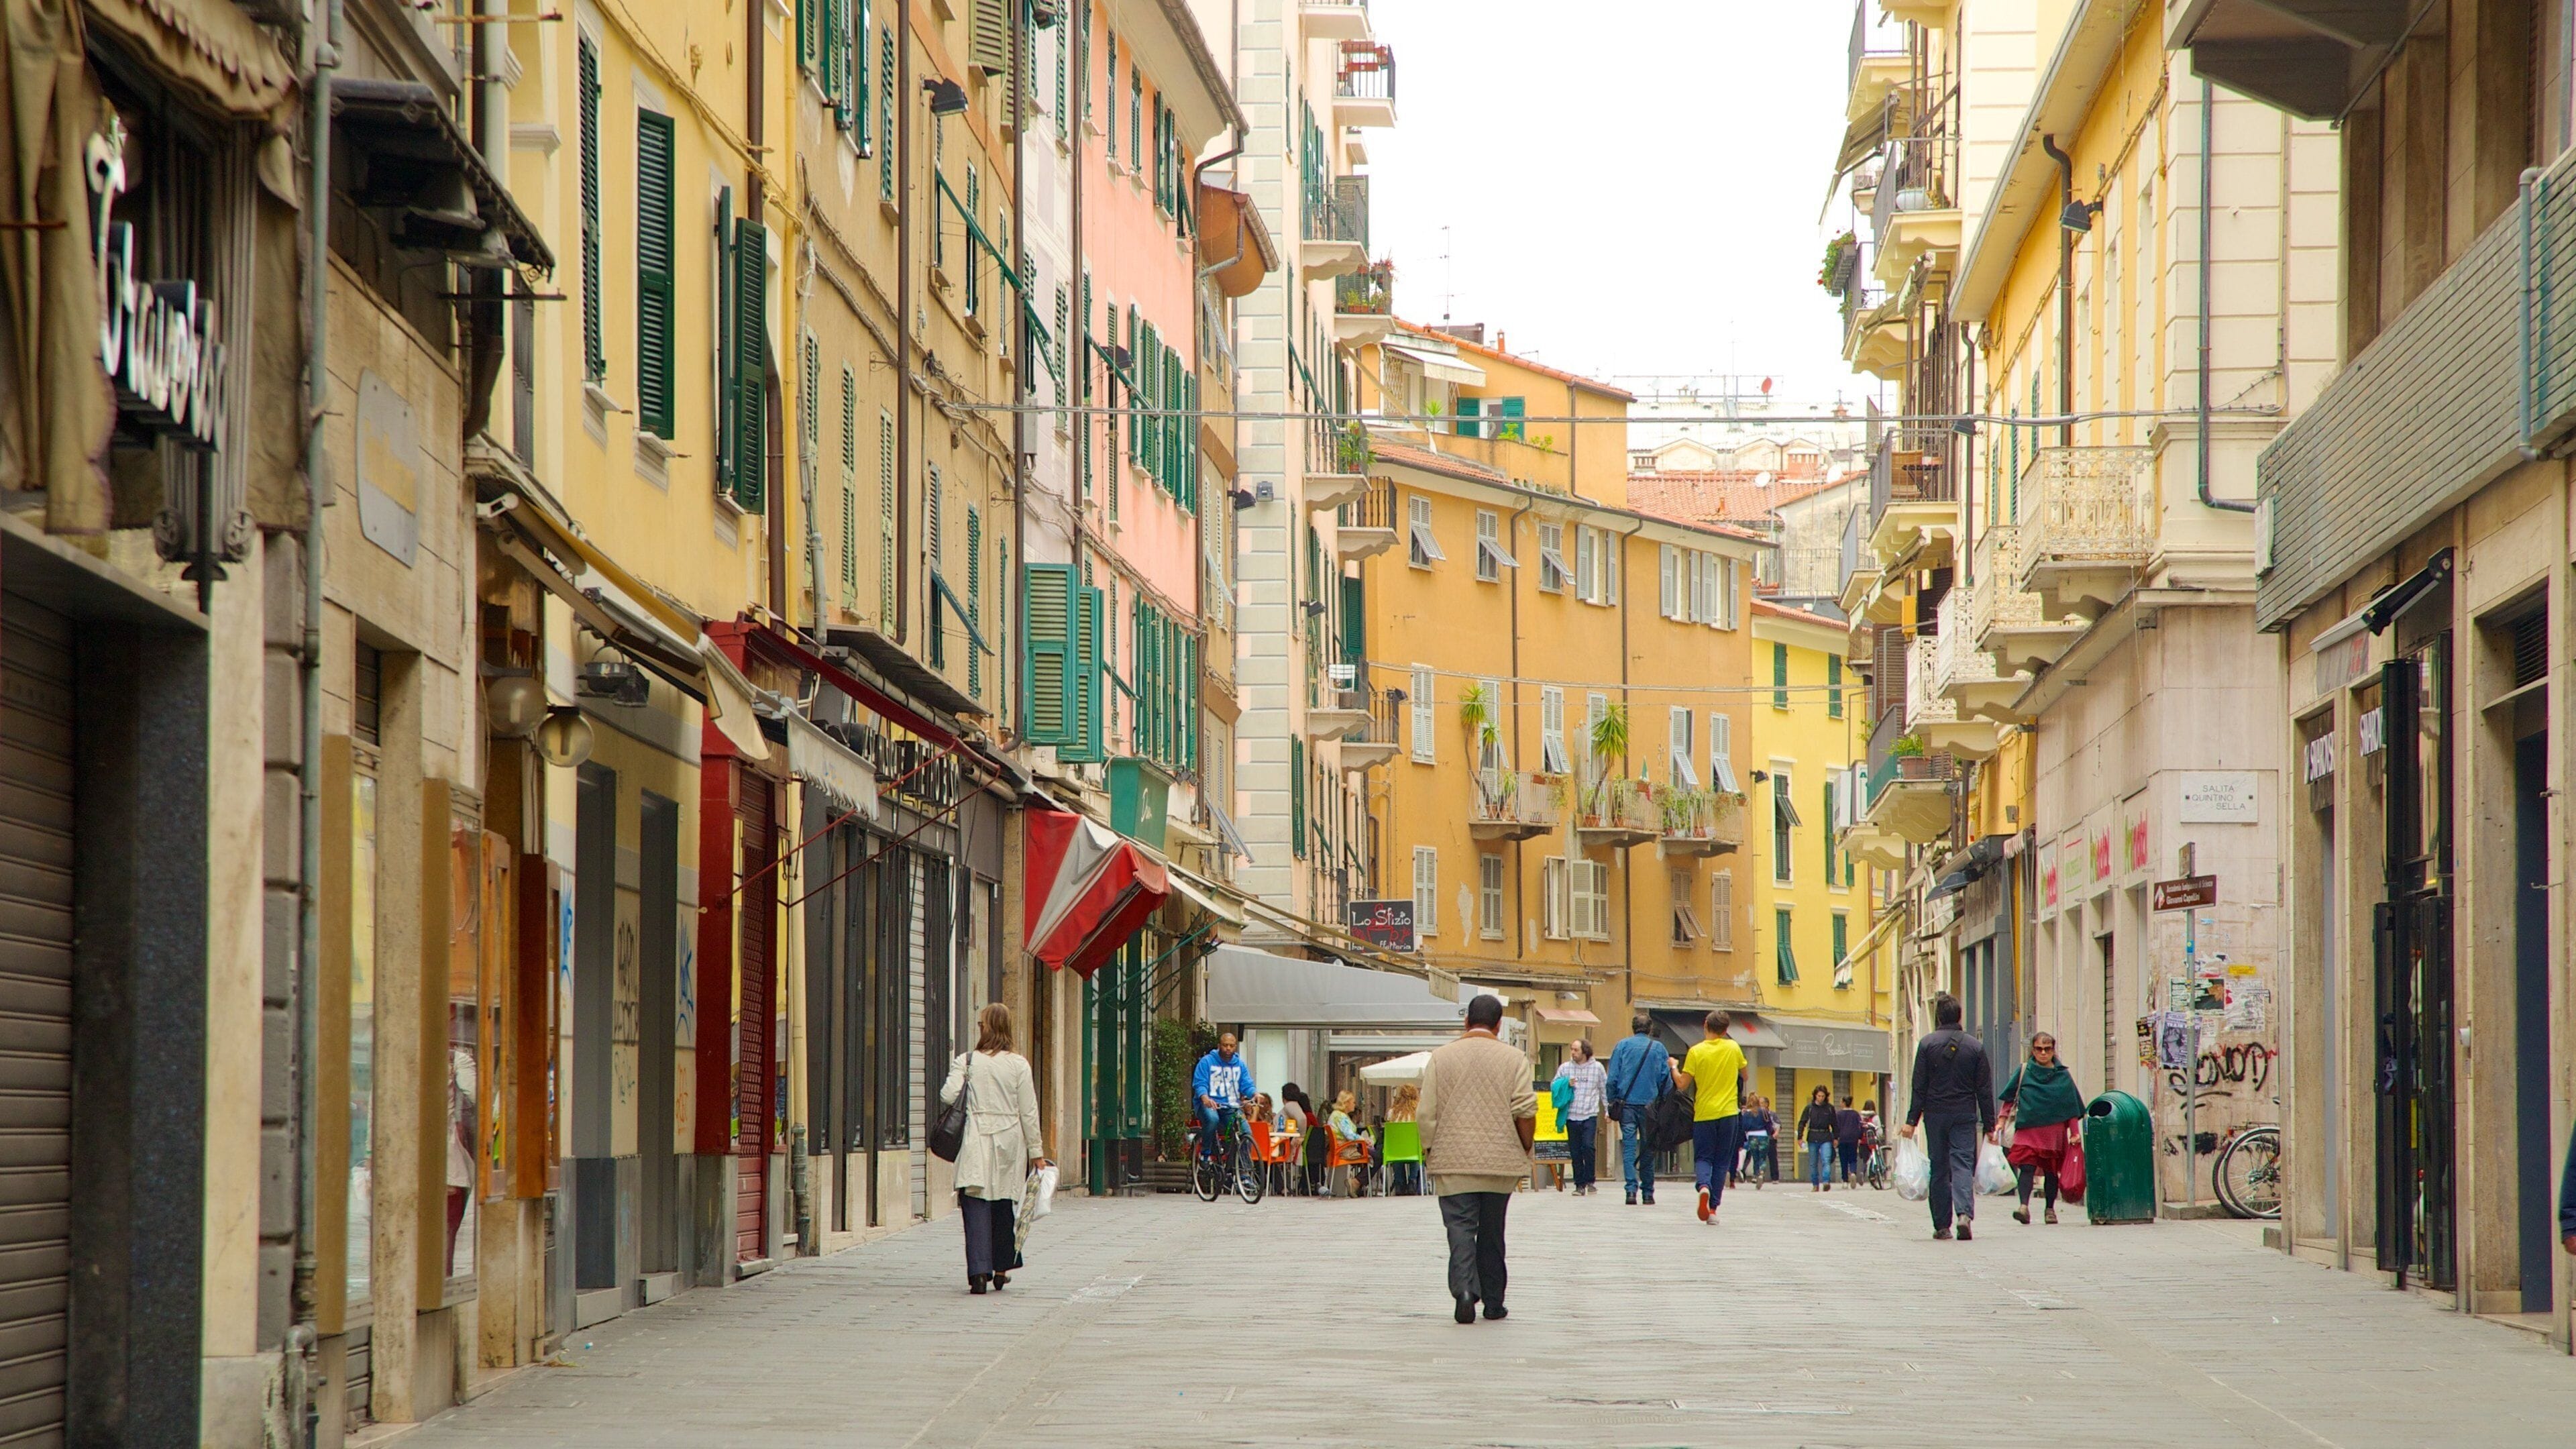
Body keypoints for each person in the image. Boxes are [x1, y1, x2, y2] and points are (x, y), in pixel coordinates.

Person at [1417, 994, 1537, 1324]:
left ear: (1466, 1021)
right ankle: (1494, 1302)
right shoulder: (1514, 1058)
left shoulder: (1441, 1058)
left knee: (1459, 1229)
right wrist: (1524, 1147)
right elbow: (1525, 1109)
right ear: (1499, 1025)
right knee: (1492, 1231)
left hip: (1453, 1160)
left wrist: (1431, 1149)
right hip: (1500, 1163)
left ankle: (1465, 1291)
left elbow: (1426, 1114)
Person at [937, 1003, 1047, 1294]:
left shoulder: (967, 1061)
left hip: (976, 1137)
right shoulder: (1019, 1064)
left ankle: (978, 1274)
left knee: (975, 1203)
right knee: (1003, 1204)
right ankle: (1001, 1269)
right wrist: (1036, 1152)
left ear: (985, 1028)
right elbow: (1029, 1111)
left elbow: (948, 1095)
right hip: (1009, 1141)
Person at [1902, 993, 1996, 1241]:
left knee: (1939, 1167)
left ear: (1938, 1017)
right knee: (1962, 1163)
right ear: (1959, 1016)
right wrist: (1990, 1124)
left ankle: (1942, 1226)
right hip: (1964, 1113)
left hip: (1935, 1115)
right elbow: (1984, 1089)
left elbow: (1919, 1086)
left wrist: (1912, 1121)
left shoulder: (1927, 1044)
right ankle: (1964, 1214)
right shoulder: (1975, 1047)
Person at [2000, 1032, 2086, 1225]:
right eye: (2039, 1049)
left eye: (2048, 1049)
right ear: (2033, 1050)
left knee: (2051, 1171)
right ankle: (2024, 1207)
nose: (2043, 1053)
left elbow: (2071, 1105)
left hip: (2053, 1132)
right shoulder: (2024, 1071)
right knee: (2027, 1167)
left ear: (2053, 1050)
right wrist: (2001, 1120)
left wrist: (2075, 1133)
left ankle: (2050, 1209)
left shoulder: (2063, 1075)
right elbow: (2010, 1098)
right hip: (2028, 1130)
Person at [1676, 1012, 1750, 1226]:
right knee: (1722, 1162)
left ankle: (1703, 1186)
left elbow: (1682, 1084)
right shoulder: (1733, 1048)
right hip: (1729, 1114)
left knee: (1703, 1158)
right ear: (1726, 1030)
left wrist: (1673, 1067)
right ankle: (1713, 1209)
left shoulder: (1696, 1051)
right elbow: (1745, 1075)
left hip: (1704, 1114)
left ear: (1705, 1025)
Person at [1604, 1015, 1672, 1205]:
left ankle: (1630, 1191)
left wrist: (1612, 1101)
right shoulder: (1658, 1048)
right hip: (1650, 1106)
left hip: (1626, 1105)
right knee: (1648, 1148)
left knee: (1629, 1147)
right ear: (1650, 1029)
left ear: (1633, 1028)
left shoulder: (1622, 1046)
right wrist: (1663, 1101)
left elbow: (1612, 1079)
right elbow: (1665, 1079)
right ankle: (1648, 1192)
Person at [1552, 1039, 1609, 1196]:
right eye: (1572, 1049)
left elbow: (1604, 1089)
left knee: (1588, 1147)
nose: (1573, 1053)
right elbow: (1553, 1085)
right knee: (1575, 1151)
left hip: (1590, 1114)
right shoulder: (1565, 1067)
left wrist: (1608, 1110)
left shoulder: (1597, 1068)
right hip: (1571, 1115)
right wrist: (1565, 1083)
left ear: (1585, 1051)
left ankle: (1590, 1180)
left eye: (1576, 1050)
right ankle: (1579, 1184)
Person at [1191, 1032, 1256, 1163]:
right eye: (1225, 1045)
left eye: (1231, 1046)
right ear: (1219, 1046)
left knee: (1246, 1132)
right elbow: (1200, 1083)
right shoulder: (1207, 1062)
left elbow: (1247, 1084)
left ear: (1235, 1047)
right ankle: (1205, 1153)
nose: (1228, 1048)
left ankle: (1243, 1170)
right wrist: (1205, 1097)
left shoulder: (1240, 1065)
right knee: (1213, 1119)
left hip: (1231, 1106)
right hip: (1210, 1104)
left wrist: (1255, 1094)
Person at [1330, 1089, 1375, 1195]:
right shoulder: (1341, 1117)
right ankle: (1355, 1183)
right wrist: (1364, 1140)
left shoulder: (1336, 1115)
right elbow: (1349, 1135)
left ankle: (1357, 1184)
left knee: (1374, 1155)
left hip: (1340, 1148)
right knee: (1377, 1157)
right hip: (1346, 1149)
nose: (1355, 1105)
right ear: (1346, 1103)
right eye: (1353, 1102)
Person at [1798, 1085, 1840, 1191]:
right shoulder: (1809, 1108)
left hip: (1826, 1136)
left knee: (1826, 1160)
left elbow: (1835, 1124)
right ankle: (1815, 1184)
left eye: (1823, 1096)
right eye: (1819, 1096)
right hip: (1813, 1136)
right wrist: (1800, 1137)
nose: (1821, 1098)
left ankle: (1826, 1182)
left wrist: (1836, 1138)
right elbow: (1802, 1122)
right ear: (1815, 1096)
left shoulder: (1830, 1108)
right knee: (1813, 1163)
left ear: (1826, 1096)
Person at [1386, 1083, 1422, 1195]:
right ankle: (1412, 1181)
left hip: (1396, 1151)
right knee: (1416, 1147)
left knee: (1397, 1147)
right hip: (1414, 1151)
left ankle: (1399, 1183)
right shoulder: (1419, 1111)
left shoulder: (1392, 1112)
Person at [1834, 1095, 1866, 1185]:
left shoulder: (1839, 1114)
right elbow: (1862, 1126)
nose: (1840, 1103)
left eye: (1841, 1102)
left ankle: (1845, 1180)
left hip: (1842, 1139)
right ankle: (1853, 1172)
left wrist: (1835, 1138)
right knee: (1853, 1158)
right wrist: (1860, 1137)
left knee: (1843, 1159)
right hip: (1853, 1139)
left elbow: (1836, 1127)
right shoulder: (1855, 1114)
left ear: (1844, 1103)